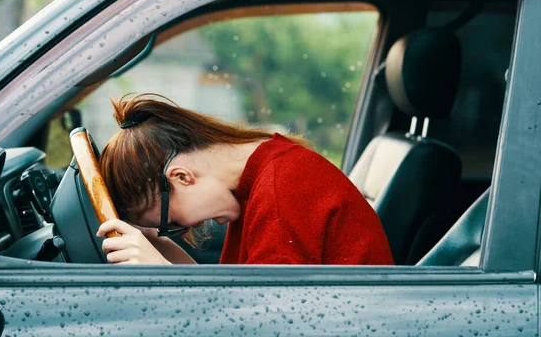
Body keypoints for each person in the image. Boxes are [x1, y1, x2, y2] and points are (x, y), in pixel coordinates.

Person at [96, 93, 394, 266]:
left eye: (171, 222)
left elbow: (262, 319)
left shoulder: (281, 186)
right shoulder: (257, 181)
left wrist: (162, 275)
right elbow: (237, 295)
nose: (187, 230)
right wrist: (154, 245)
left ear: (182, 177)